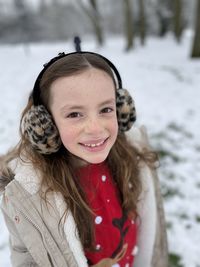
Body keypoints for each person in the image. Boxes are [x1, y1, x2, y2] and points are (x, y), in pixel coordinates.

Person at [0, 41, 168, 267]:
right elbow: (24, 256)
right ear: (45, 124)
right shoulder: (31, 193)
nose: (96, 128)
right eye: (75, 114)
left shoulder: (134, 158)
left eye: (106, 110)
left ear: (120, 109)